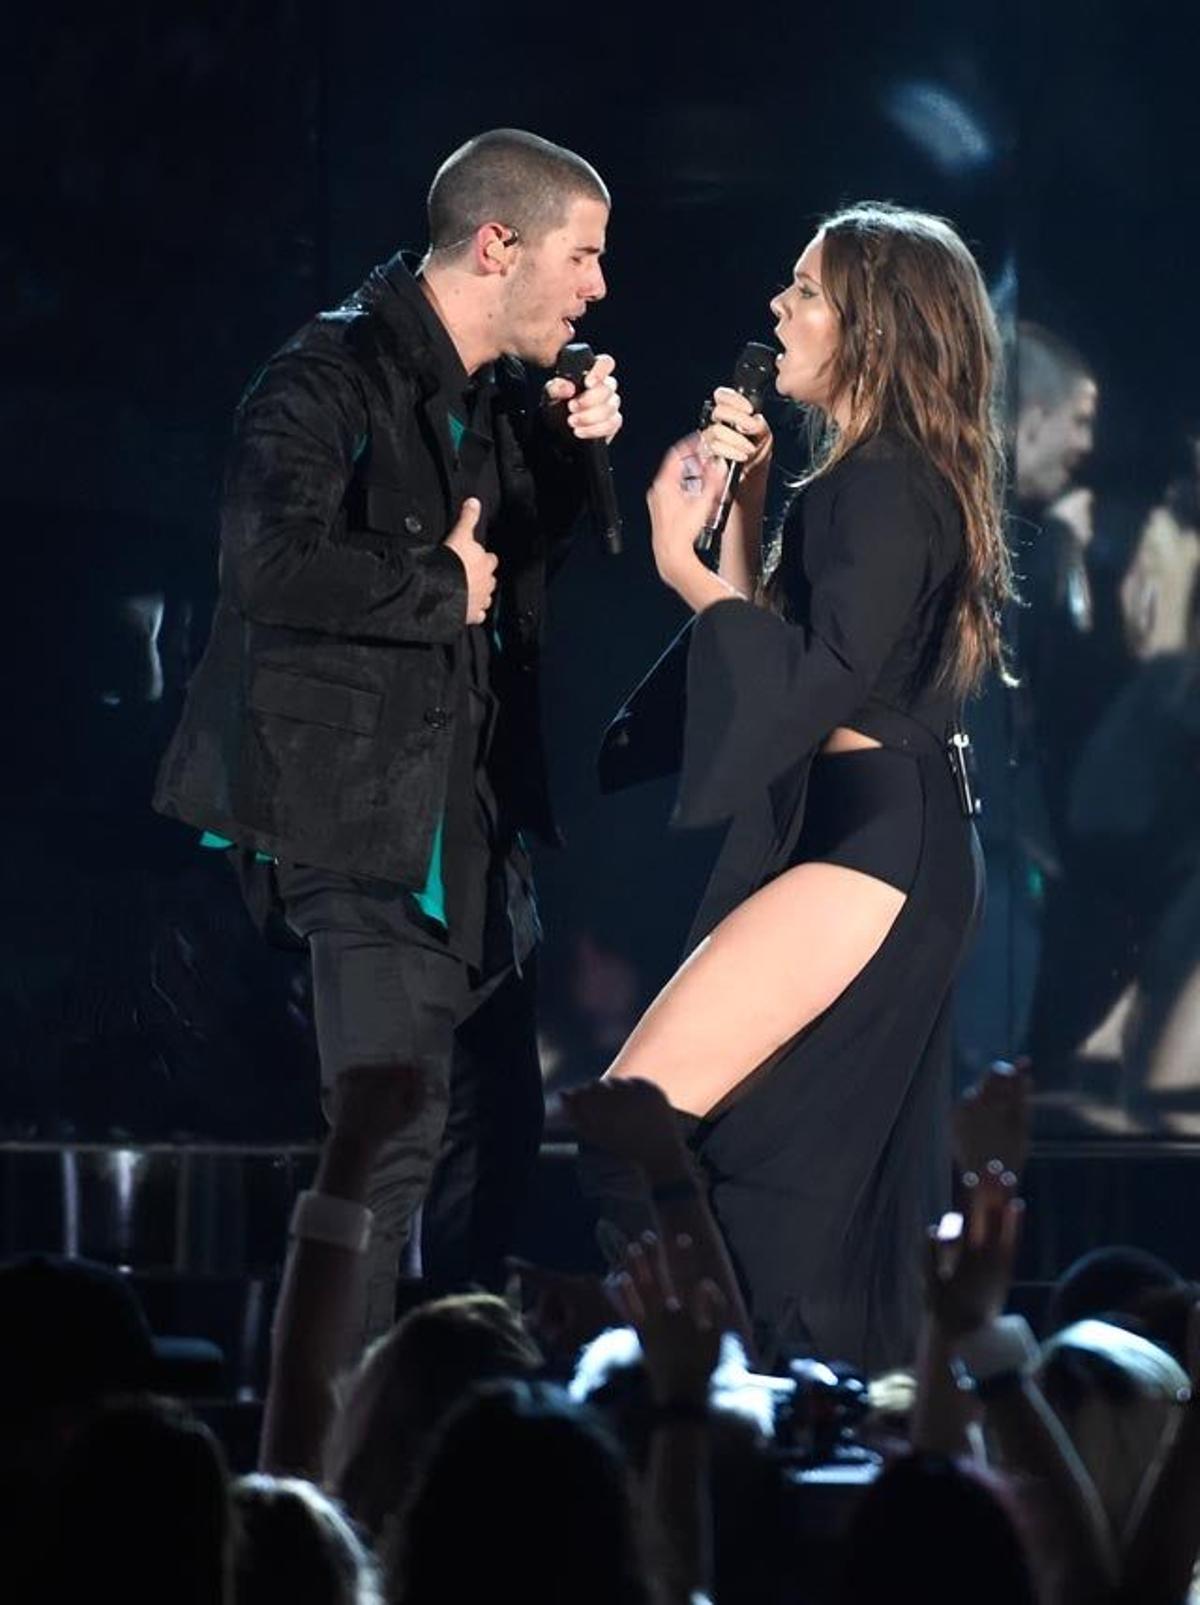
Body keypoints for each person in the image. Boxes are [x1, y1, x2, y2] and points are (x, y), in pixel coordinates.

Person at [153, 129, 622, 1348]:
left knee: (496, 1141)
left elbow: (519, 566)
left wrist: (575, 462)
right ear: (497, 244)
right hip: (359, 832)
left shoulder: (498, 399)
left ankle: (447, 1401)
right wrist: (430, 584)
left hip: (473, 830)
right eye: (582, 257)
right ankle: (327, 1448)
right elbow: (265, 562)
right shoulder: (326, 375)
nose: (597, 288)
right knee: (387, 1146)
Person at [595, 202, 1008, 1372]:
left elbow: (813, 681)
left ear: (873, 329)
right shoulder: (877, 478)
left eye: (806, 292)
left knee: (638, 1128)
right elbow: (791, 648)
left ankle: (713, 1399)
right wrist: (753, 507)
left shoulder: (882, 485)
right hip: (879, 834)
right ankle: (745, 1392)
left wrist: (680, 564)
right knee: (778, 1154)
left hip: (873, 843)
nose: (778, 311)